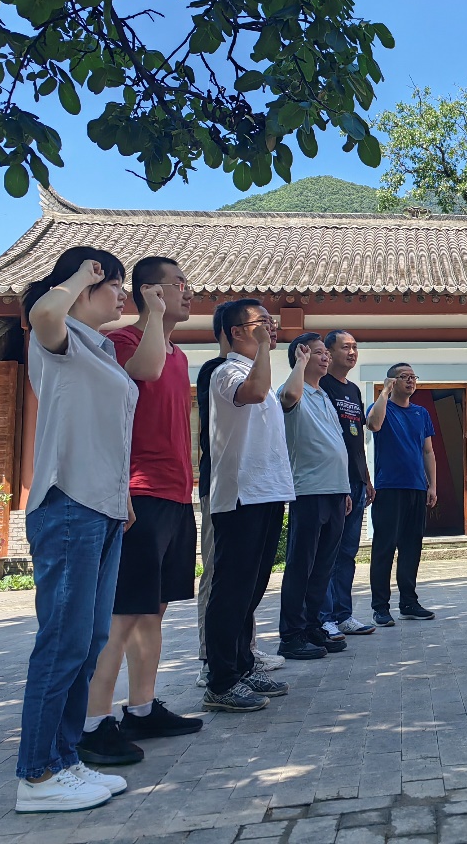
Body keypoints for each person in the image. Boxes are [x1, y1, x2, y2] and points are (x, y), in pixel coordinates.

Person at [15, 247, 137, 813]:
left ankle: (64, 760)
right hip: (68, 503)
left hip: (103, 506)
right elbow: (42, 313)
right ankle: (36, 774)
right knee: (63, 642)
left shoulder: (101, 349)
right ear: (85, 285)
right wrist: (81, 272)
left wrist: (121, 495)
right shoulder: (57, 336)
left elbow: (106, 430)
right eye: (113, 284)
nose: (121, 295)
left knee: (89, 641)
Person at [80, 257, 202, 767]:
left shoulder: (180, 355)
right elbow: (144, 372)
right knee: (124, 611)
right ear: (150, 291)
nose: (188, 292)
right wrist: (150, 316)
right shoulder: (125, 341)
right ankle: (92, 723)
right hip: (139, 492)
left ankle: (142, 708)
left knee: (154, 608)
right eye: (178, 284)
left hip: (175, 494)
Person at [204, 300, 294, 711]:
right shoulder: (227, 372)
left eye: (271, 323)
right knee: (232, 589)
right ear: (237, 332)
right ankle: (220, 680)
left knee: (252, 588)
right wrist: (263, 350)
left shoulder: (259, 371)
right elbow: (254, 393)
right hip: (241, 495)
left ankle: (241, 665)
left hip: (268, 491)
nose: (271, 328)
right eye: (261, 323)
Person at [277, 333, 351, 659]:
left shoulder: (323, 396)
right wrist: (300, 363)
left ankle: (311, 626)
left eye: (325, 353)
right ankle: (291, 635)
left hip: (335, 490)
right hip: (308, 490)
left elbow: (336, 442)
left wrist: (345, 488)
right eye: (318, 353)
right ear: (302, 356)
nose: (325, 357)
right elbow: (288, 397)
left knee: (323, 566)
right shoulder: (294, 390)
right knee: (301, 565)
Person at [367, 363, 438, 626]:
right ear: (392, 381)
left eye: (413, 377)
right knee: (384, 548)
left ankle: (409, 603)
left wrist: (432, 486)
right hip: (388, 488)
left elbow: (428, 451)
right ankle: (380, 608)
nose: (410, 381)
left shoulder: (421, 413)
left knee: (411, 548)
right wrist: (384, 393)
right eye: (404, 377)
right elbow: (373, 425)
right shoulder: (382, 408)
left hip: (416, 489)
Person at [318, 330, 376, 638]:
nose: (352, 352)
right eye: (346, 347)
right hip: (332, 482)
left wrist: (366, 478)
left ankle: (344, 615)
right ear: (328, 352)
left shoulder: (352, 389)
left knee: (347, 553)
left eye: (355, 347)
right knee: (328, 552)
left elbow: (357, 440)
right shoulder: (321, 385)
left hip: (356, 481)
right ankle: (324, 617)